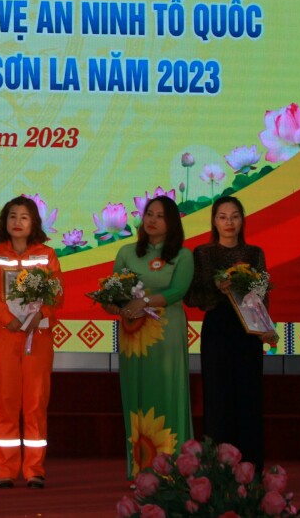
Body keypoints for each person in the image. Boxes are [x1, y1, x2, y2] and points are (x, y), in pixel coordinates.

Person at [102, 195, 195, 478]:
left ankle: (174, 469)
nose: (152, 220)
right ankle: (140, 471)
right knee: (137, 395)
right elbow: (116, 291)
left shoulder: (183, 255)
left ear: (172, 223)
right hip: (134, 335)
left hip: (166, 333)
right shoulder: (127, 252)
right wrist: (111, 303)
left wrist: (144, 302)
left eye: (160, 216)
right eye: (149, 214)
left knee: (167, 392)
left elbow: (178, 291)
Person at [0, 195, 62, 489]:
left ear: (34, 222)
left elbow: (57, 292)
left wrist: (42, 313)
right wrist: (6, 317)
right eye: (12, 216)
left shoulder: (47, 254)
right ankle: (6, 469)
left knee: (36, 401)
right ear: (4, 221)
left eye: (24, 216)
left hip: (38, 336)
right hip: (4, 335)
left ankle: (34, 469)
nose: (18, 222)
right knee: (6, 401)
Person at [185, 196, 276, 470]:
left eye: (235, 216)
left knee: (249, 397)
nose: (229, 222)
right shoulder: (202, 253)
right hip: (217, 329)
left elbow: (262, 295)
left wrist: (263, 327)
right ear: (214, 221)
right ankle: (218, 470)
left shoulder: (254, 253)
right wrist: (218, 288)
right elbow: (192, 297)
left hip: (248, 331)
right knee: (217, 397)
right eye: (223, 217)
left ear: (242, 220)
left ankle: (250, 469)